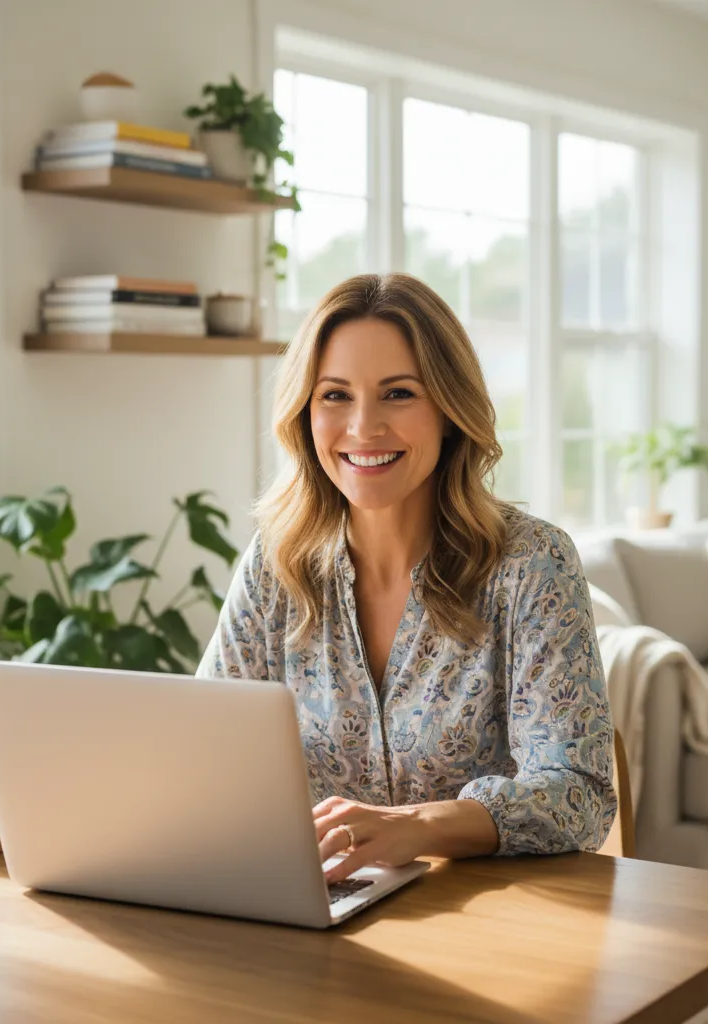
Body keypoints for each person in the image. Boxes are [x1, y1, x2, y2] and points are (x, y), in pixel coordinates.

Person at [197, 272, 616, 883]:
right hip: (315, 909)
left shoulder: (531, 565)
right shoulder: (274, 565)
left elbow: (577, 794)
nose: (364, 427)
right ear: (305, 414)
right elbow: (204, 754)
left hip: (496, 926)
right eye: (334, 395)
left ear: (449, 411)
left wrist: (417, 826)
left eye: (398, 394)